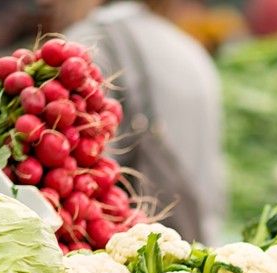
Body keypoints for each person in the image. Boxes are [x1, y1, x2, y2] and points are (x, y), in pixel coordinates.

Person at [38, 0, 227, 242]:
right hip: (193, 242)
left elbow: (79, 182)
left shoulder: (91, 43)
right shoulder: (189, 49)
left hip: (135, 254)